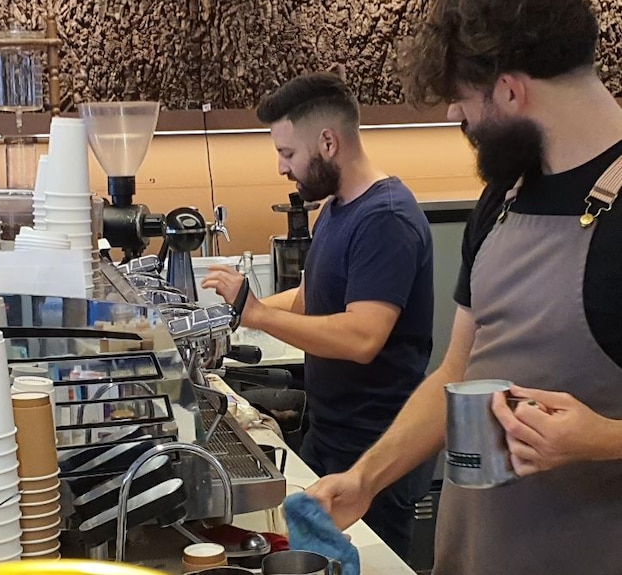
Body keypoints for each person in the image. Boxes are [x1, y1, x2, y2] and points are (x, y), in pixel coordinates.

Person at [305, 0, 622, 573]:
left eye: (463, 95)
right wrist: (364, 479)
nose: (457, 111)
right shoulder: (503, 199)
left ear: (508, 91)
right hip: (475, 552)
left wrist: (602, 439)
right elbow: (458, 372)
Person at [202, 71, 436, 558]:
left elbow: (361, 337)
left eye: (288, 154)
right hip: (329, 436)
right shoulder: (337, 208)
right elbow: (312, 298)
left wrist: (260, 314)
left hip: (377, 454)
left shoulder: (385, 218)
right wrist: (232, 317)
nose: (283, 168)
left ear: (327, 142)